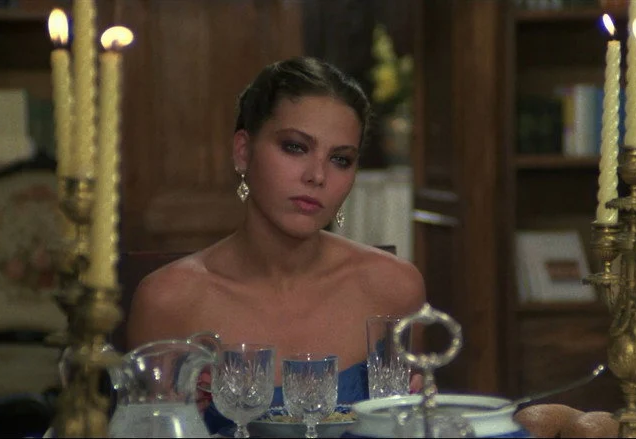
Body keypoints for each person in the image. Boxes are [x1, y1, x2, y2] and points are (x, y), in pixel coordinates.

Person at [124, 56, 426, 435]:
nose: (317, 175)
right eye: (295, 147)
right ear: (243, 151)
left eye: (340, 159)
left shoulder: (393, 288)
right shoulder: (169, 301)